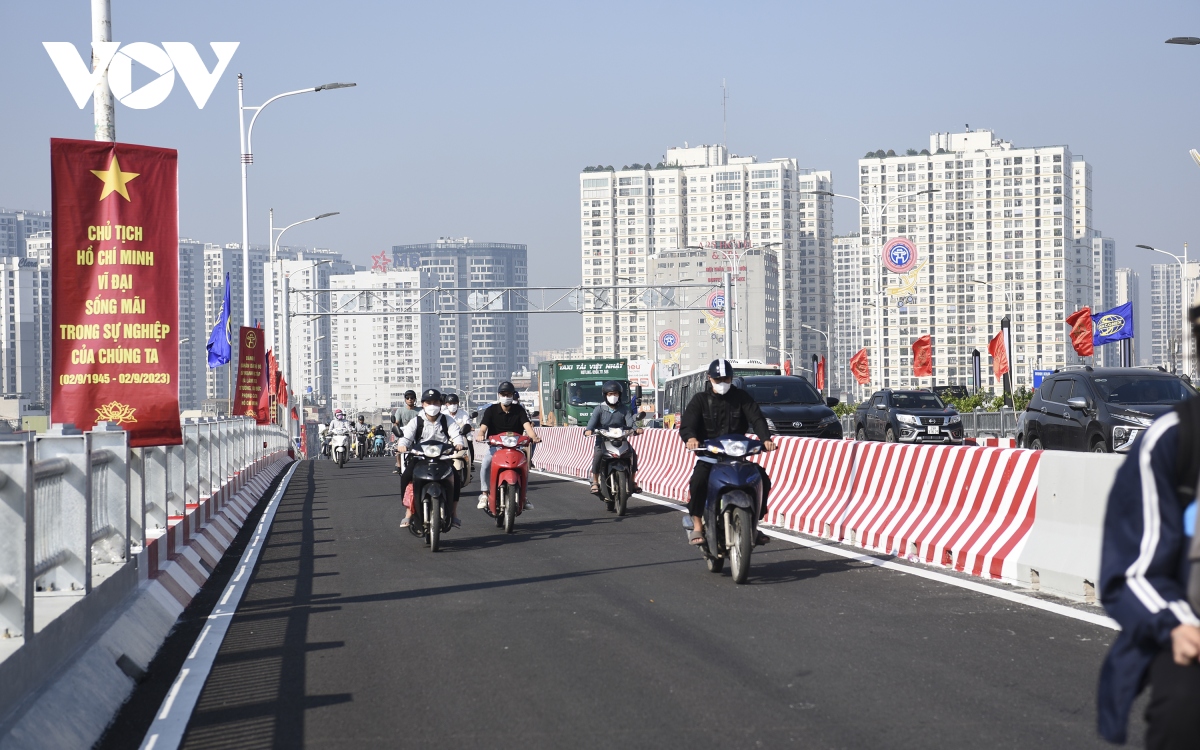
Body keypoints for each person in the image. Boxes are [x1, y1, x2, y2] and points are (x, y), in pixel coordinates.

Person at [1098, 292, 1200, 749]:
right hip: (1188, 628)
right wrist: (1178, 625)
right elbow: (1134, 569)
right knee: (1182, 711)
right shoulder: (1173, 442)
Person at [679, 359, 776, 547]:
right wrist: (691, 438)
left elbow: (757, 419)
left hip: (737, 457)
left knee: (762, 478)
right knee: (698, 480)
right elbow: (687, 425)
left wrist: (765, 439)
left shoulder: (742, 397)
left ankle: (754, 525)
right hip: (710, 456)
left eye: (726, 378)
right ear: (710, 379)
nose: (722, 382)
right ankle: (697, 524)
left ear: (731, 378)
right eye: (718, 379)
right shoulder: (699, 400)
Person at [396, 389, 466, 528]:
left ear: (441, 404)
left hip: (443, 458)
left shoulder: (447, 420)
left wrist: (459, 443)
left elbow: (456, 434)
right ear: (423, 404)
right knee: (406, 477)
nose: (432, 405)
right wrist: (402, 445)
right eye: (429, 402)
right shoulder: (416, 421)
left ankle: (454, 513)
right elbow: (406, 437)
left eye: (435, 402)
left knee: (456, 479)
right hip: (420, 458)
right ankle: (408, 512)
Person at [476, 381, 541, 510]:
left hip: (515, 447)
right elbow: (483, 427)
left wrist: (533, 437)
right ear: (499, 395)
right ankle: (484, 493)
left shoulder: (519, 410)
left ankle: (524, 496)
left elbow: (527, 426)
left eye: (509, 394)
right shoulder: (491, 410)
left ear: (513, 395)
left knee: (524, 467)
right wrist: (481, 434)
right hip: (496, 448)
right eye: (503, 394)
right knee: (486, 464)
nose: (506, 396)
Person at [583, 380, 641, 495]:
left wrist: (636, 429)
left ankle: (633, 481)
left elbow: (630, 422)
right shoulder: (599, 409)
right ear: (605, 395)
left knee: (633, 454)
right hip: (603, 441)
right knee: (598, 456)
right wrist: (588, 430)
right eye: (610, 394)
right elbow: (591, 424)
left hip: (621, 440)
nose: (613, 396)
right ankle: (595, 481)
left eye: (615, 394)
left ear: (619, 395)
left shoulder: (624, 409)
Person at [392, 390, 419, 474]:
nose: (410, 399)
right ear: (405, 400)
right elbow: (396, 422)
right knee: (399, 447)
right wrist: (396, 427)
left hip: (418, 434)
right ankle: (399, 466)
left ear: (415, 399)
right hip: (404, 434)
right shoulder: (400, 411)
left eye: (412, 398)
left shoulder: (420, 410)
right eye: (407, 398)